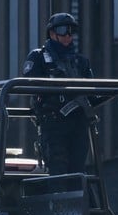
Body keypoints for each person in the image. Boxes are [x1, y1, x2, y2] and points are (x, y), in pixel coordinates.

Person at [20, 12, 94, 175]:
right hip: (53, 122)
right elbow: (29, 83)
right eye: (62, 30)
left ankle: (78, 199)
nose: (67, 35)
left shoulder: (80, 61)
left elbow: (93, 90)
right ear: (52, 33)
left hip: (78, 122)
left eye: (70, 30)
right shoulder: (39, 57)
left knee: (78, 172)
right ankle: (59, 201)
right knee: (58, 172)